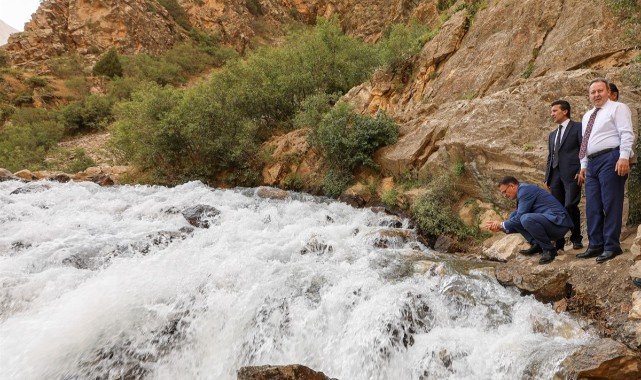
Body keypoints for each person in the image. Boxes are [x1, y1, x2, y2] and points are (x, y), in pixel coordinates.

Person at [576, 78, 635, 263]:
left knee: (611, 203)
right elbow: (585, 142)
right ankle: (595, 245)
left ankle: (611, 246)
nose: (596, 95)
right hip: (592, 163)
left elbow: (626, 132)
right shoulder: (587, 115)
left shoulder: (618, 108)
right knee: (592, 205)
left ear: (608, 91)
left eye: (600, 90)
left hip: (612, 158)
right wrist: (583, 165)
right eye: (593, 92)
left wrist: (624, 156)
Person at [485, 176, 573, 264]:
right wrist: (501, 228)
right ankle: (537, 244)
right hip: (551, 223)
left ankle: (549, 250)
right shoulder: (522, 191)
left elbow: (520, 217)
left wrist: (501, 224)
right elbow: (516, 223)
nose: (504, 195)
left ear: (512, 186)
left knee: (525, 218)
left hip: (559, 224)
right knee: (514, 215)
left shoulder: (525, 190)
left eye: (504, 192)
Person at [544, 100, 583, 251]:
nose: (552, 114)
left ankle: (576, 238)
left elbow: (583, 149)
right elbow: (551, 157)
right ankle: (559, 242)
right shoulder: (552, 134)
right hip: (554, 175)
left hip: (573, 173)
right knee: (557, 208)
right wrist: (548, 177)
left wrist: (582, 169)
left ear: (565, 111)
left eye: (554, 111)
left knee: (570, 205)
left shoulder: (578, 127)